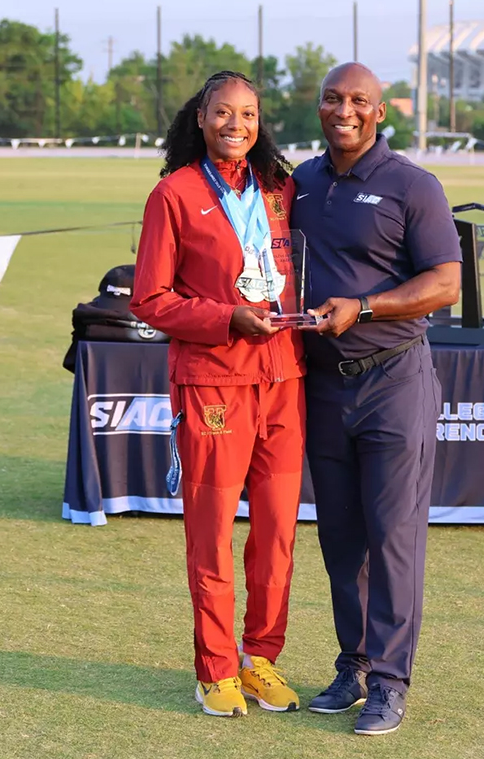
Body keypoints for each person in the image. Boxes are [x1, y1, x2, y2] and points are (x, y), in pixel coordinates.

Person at [291, 62, 462, 736]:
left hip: (393, 379)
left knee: (392, 537)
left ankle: (390, 682)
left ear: (380, 111)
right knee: (340, 537)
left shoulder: (413, 185)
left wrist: (363, 307)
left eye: (358, 100)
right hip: (321, 383)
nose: (345, 110)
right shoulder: (300, 182)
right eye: (333, 99)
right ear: (318, 106)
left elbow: (445, 282)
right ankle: (354, 664)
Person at [130, 70, 305, 718]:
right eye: (224, 113)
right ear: (200, 118)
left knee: (277, 534)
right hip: (213, 384)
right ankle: (214, 670)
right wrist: (227, 317)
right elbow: (150, 299)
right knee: (211, 535)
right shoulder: (173, 194)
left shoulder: (280, 189)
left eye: (249, 114)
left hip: (284, 379)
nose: (237, 124)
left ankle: (260, 659)